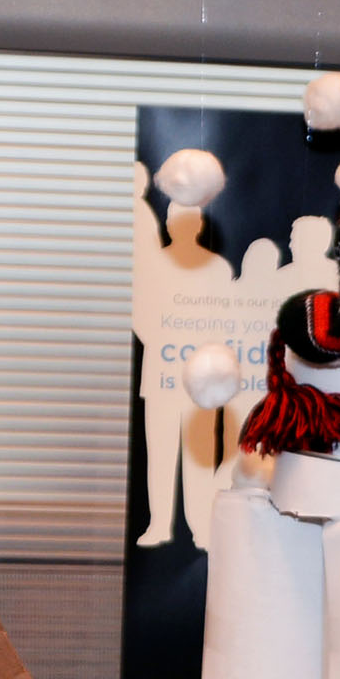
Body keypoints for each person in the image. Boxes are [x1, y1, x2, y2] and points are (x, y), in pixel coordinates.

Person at [131, 186, 232, 551]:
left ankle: (201, 527)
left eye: (191, 221)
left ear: (200, 224)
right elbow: (140, 314)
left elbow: (225, 321)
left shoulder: (219, 269)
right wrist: (162, 339)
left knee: (200, 457)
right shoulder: (153, 265)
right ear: (170, 224)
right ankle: (159, 524)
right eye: (176, 220)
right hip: (161, 376)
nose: (183, 226)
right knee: (159, 455)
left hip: (204, 382)